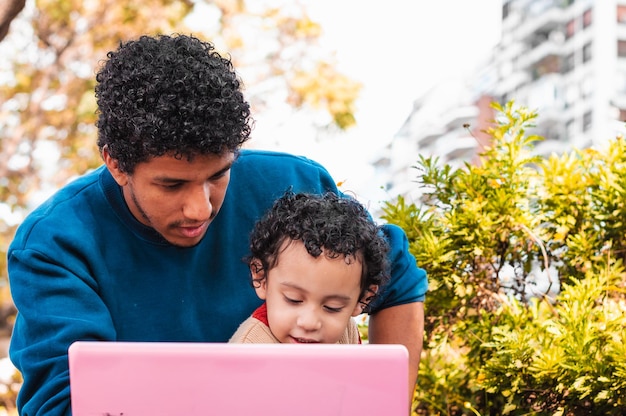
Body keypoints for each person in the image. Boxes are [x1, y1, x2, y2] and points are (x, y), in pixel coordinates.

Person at [7, 34, 428, 415]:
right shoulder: (53, 245)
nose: (200, 208)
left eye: (218, 176)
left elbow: (397, 280)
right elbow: (65, 402)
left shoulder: (292, 186)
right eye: (171, 184)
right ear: (116, 164)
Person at [229, 191, 389, 344]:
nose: (309, 323)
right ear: (261, 277)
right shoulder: (249, 349)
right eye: (294, 300)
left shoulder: (346, 332)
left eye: (332, 308)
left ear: (362, 299)